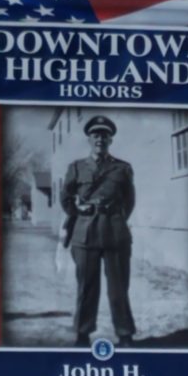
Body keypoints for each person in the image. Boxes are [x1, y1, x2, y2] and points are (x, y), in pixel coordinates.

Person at [60, 115, 136, 347]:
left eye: (104, 135)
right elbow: (65, 197)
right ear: (89, 139)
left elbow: (129, 201)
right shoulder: (76, 167)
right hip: (84, 233)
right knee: (87, 287)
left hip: (115, 234)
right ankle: (82, 333)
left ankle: (125, 334)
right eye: (95, 135)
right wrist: (77, 209)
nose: (100, 139)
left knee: (118, 289)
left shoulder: (122, 168)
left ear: (110, 139)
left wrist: (116, 219)